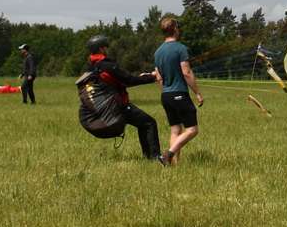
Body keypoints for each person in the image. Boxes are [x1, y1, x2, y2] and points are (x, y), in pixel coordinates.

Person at [75, 34, 163, 162]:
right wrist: (152, 77)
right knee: (149, 123)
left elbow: (118, 81)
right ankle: (154, 157)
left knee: (143, 123)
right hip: (118, 107)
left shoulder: (91, 67)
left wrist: (143, 77)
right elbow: (129, 80)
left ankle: (148, 157)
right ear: (101, 49)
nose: (106, 49)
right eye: (105, 47)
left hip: (105, 109)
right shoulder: (107, 66)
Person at [152, 16, 204, 163]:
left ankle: (173, 165)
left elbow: (158, 77)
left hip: (166, 96)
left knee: (175, 130)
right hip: (179, 94)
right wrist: (197, 93)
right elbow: (186, 72)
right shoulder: (181, 48)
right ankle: (167, 155)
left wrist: (166, 92)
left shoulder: (158, 52)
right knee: (192, 130)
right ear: (175, 29)